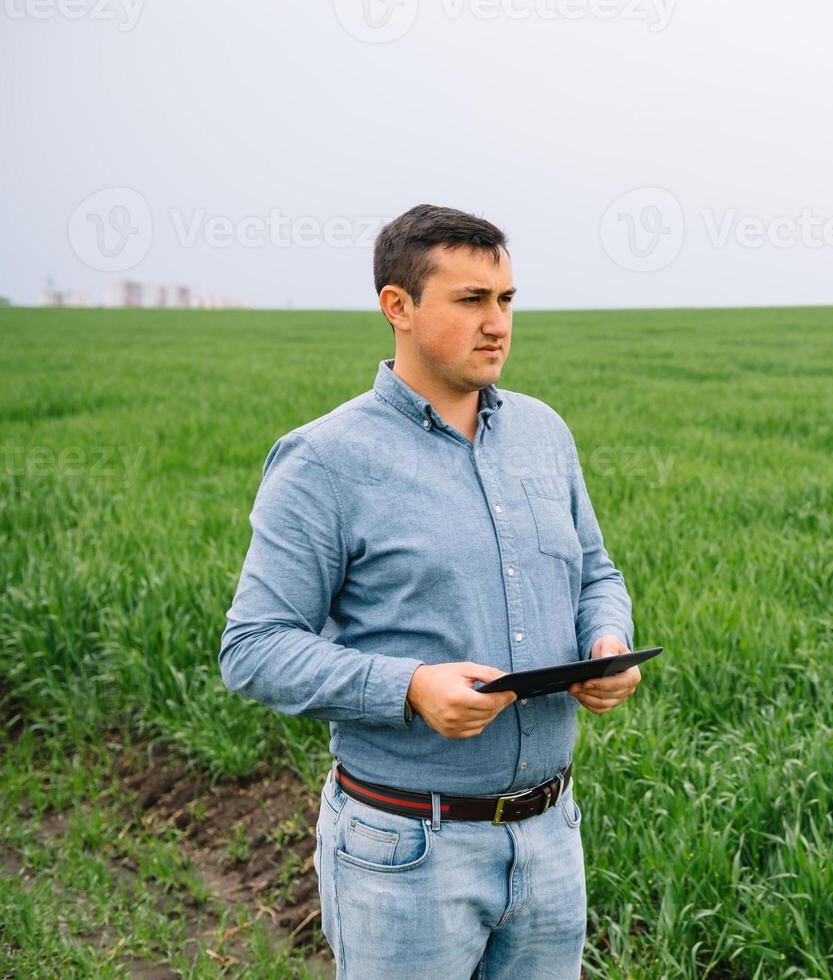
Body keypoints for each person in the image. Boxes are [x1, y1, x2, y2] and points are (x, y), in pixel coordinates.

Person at [218, 204, 639, 978]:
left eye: (506, 300)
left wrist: (605, 641)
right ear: (398, 307)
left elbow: (596, 572)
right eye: (471, 300)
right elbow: (253, 648)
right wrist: (409, 687)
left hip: (551, 837)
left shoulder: (545, 433)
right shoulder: (325, 460)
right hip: (406, 850)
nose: (498, 324)